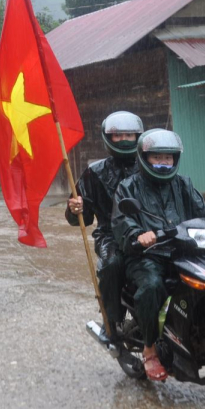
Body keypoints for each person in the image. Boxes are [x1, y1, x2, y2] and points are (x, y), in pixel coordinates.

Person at [112, 129, 205, 382]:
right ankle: (150, 349)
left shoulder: (182, 183)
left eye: (168, 158)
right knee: (151, 287)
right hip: (147, 255)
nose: (163, 163)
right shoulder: (128, 187)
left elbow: (204, 211)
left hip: (185, 250)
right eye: (157, 158)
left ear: (175, 160)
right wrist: (139, 235)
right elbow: (123, 221)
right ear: (144, 158)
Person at [65, 111, 143, 338]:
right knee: (111, 264)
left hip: (148, 231)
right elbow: (80, 217)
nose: (124, 140)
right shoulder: (95, 172)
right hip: (111, 235)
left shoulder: (149, 165)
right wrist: (75, 208)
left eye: (129, 134)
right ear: (108, 138)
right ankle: (113, 320)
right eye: (118, 135)